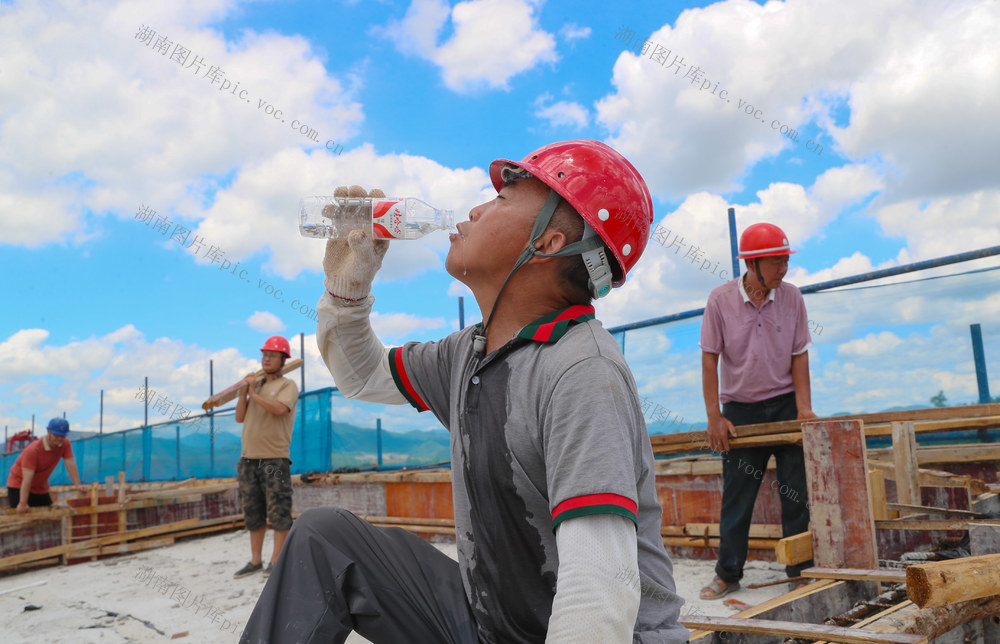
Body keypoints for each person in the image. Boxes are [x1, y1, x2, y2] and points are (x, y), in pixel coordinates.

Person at [240, 140, 689, 643]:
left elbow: (600, 586)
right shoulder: (470, 352)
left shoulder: (582, 370)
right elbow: (363, 375)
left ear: (548, 243)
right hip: (491, 623)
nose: (475, 208)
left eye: (502, 199)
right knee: (325, 539)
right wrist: (347, 290)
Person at [698, 222, 817, 600]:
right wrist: (715, 416)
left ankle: (799, 571)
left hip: (785, 407)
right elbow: (708, 360)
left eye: (786, 260)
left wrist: (804, 410)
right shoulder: (720, 300)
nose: (784, 268)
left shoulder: (793, 297)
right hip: (741, 415)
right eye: (777, 261)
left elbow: (800, 354)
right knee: (738, 496)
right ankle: (728, 574)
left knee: (795, 493)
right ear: (752, 263)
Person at [232, 335, 299, 579]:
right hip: (249, 458)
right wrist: (243, 394)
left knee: (279, 510)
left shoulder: (287, 385)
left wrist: (254, 393)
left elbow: (280, 410)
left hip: (274, 459)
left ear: (283, 359)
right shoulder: (256, 386)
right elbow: (240, 417)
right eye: (264, 355)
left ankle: (277, 560)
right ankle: (256, 561)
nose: (267, 358)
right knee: (253, 511)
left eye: (272, 355)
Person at [7, 418, 87, 513]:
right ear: (48, 432)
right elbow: (27, 479)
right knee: (22, 517)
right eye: (56, 435)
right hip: (19, 486)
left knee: (48, 515)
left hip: (40, 486)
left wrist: (77, 484)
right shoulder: (33, 450)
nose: (59, 439)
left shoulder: (65, 444)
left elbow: (70, 463)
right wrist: (23, 503)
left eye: (62, 436)